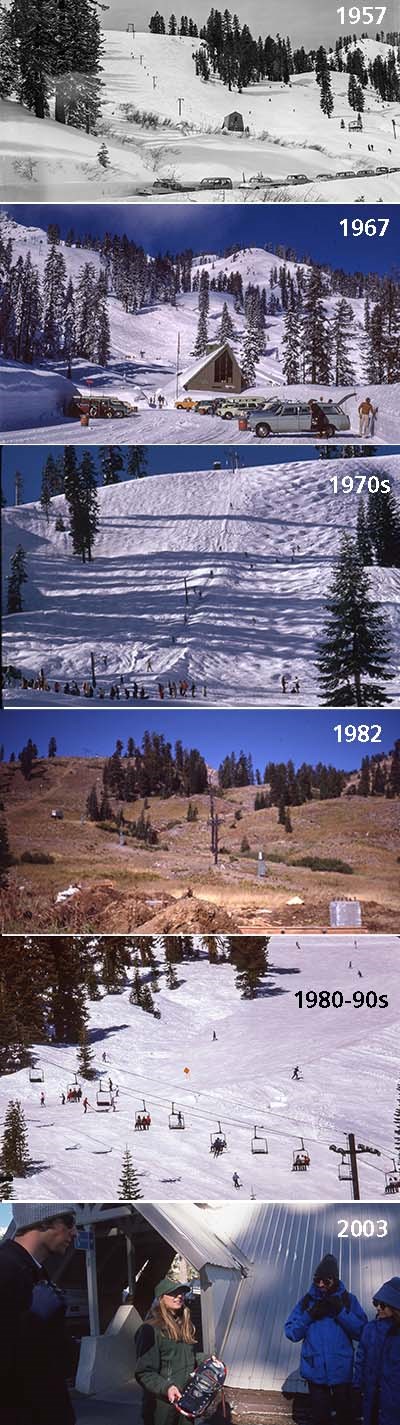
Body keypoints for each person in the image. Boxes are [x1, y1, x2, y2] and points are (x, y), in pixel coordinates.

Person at [0, 1203, 77, 1425]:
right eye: (69, 1223)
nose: (75, 1232)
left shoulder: (36, 1271)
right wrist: (33, 1320)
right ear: (43, 1222)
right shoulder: (6, 1268)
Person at [285, 1252, 367, 1425]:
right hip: (315, 1373)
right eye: (317, 1280)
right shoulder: (307, 1302)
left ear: (335, 1279)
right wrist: (310, 1316)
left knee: (345, 1418)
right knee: (320, 1418)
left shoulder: (348, 1301)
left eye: (326, 1280)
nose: (321, 1284)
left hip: (341, 1372)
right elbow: (291, 1332)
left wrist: (341, 1313)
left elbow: (361, 1332)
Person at [135, 1278, 205, 1425]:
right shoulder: (149, 1329)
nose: (179, 1296)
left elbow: (189, 1357)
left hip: (186, 1400)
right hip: (162, 1406)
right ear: (161, 1298)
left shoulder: (185, 1326)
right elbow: (144, 1373)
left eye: (181, 1293)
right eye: (173, 1293)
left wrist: (209, 1361)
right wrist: (166, 1387)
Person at [353, 1277, 400, 1425]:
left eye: (383, 1304)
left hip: (393, 1402)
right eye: (376, 1303)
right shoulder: (369, 1329)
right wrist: (356, 1386)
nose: (378, 1307)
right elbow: (360, 1359)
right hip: (370, 1397)